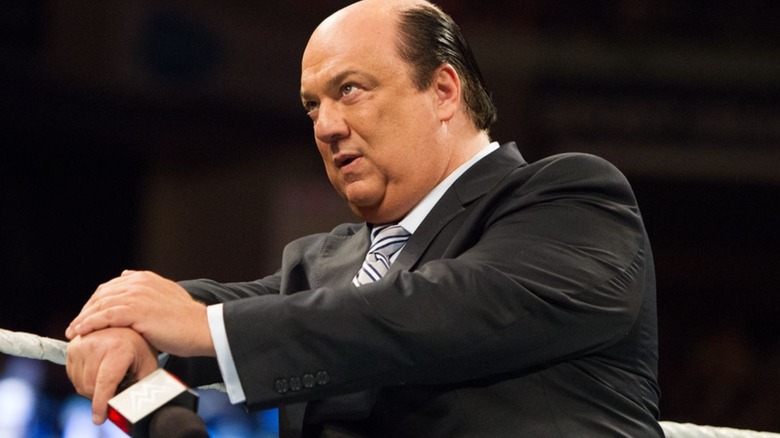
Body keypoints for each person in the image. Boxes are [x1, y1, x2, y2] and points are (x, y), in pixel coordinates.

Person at [65, 0, 663, 436]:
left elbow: (430, 311)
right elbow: (227, 311)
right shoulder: (327, 263)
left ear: (444, 91)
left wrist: (202, 330)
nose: (325, 126)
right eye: (312, 107)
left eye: (350, 90)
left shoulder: (574, 201)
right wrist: (123, 329)